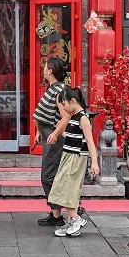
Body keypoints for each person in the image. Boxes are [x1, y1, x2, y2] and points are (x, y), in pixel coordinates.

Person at [48, 87, 100, 238]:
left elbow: (90, 141)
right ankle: (73, 223)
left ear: (73, 101)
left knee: (65, 189)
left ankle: (76, 220)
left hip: (75, 158)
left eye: (64, 103)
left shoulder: (83, 118)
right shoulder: (74, 117)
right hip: (68, 156)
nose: (63, 107)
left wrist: (94, 163)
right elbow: (72, 135)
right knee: (65, 189)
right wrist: (57, 132)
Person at [33, 57, 69, 227]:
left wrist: (54, 133)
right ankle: (56, 214)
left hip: (55, 138)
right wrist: (38, 132)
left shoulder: (59, 92)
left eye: (45, 67)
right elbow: (45, 116)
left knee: (48, 175)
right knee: (50, 175)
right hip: (49, 135)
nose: (43, 69)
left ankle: (61, 213)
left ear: (51, 71)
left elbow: (66, 117)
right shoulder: (52, 89)